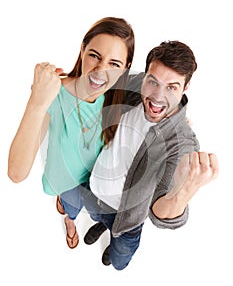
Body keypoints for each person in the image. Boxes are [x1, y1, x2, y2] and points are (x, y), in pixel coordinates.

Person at [74, 40, 219, 270]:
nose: (158, 97)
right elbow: (99, 81)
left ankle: (113, 245)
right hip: (95, 192)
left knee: (120, 261)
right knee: (97, 217)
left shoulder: (182, 143)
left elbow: (159, 214)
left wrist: (187, 189)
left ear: (185, 87)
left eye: (172, 87)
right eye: (153, 81)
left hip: (126, 222)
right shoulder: (135, 86)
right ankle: (102, 224)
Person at [7, 17, 135, 249]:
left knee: (92, 210)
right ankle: (69, 222)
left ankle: (71, 215)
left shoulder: (119, 94)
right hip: (64, 181)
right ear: (82, 50)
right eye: (94, 55)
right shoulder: (53, 94)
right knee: (71, 208)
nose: (100, 70)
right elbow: (16, 173)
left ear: (125, 69)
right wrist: (37, 101)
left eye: (114, 63)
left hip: (95, 179)